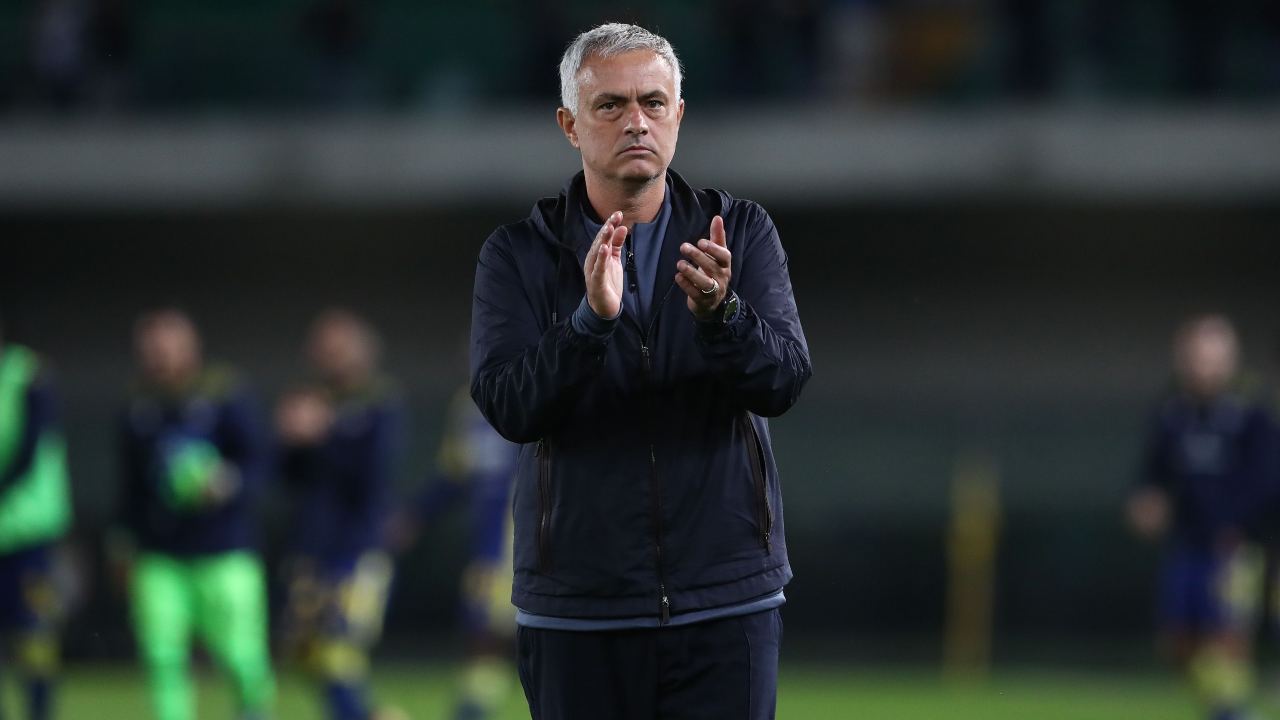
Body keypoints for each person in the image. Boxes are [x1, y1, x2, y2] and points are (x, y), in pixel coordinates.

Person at [469, 23, 812, 720]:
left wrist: (723, 316)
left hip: (725, 600)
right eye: (611, 105)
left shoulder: (739, 231)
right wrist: (588, 325)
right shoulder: (519, 254)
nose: (636, 122)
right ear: (569, 124)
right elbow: (508, 406)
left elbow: (783, 381)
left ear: (678, 115)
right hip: (578, 609)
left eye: (653, 103)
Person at [114, 309, 274, 720]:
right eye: (150, 350)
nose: (158, 358)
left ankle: (253, 712)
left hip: (223, 551)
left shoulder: (225, 393)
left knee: (240, 654)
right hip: (159, 555)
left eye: (165, 348)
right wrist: (122, 543)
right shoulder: (137, 403)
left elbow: (260, 464)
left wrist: (226, 483)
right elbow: (129, 486)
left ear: (190, 348)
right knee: (163, 657)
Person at [1128, 315, 1279, 720]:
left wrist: (1239, 524)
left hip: (1235, 547)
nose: (1204, 367)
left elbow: (1267, 481)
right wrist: (1148, 500)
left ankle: (1232, 712)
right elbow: (1153, 473)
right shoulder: (1171, 415)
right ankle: (1228, 707)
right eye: (1197, 357)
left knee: (1226, 635)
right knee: (1177, 644)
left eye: (1213, 358)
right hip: (1186, 544)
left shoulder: (1251, 414)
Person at [275, 309, 403, 720]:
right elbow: (287, 476)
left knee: (338, 646)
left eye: (335, 348)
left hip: (357, 547)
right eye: (320, 348)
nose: (325, 357)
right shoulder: (314, 401)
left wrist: (323, 434)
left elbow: (369, 475)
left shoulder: (378, 403)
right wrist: (291, 439)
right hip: (312, 546)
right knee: (302, 651)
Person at [389, 382, 519, 720]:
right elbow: (454, 474)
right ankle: (471, 711)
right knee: (483, 631)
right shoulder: (469, 402)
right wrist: (416, 515)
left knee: (507, 633)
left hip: (529, 538)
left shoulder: (534, 383)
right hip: (488, 544)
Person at [0, 317, 73, 720]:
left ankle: (40, 711)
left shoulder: (30, 376)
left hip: (28, 531)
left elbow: (28, 450)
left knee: (33, 629)